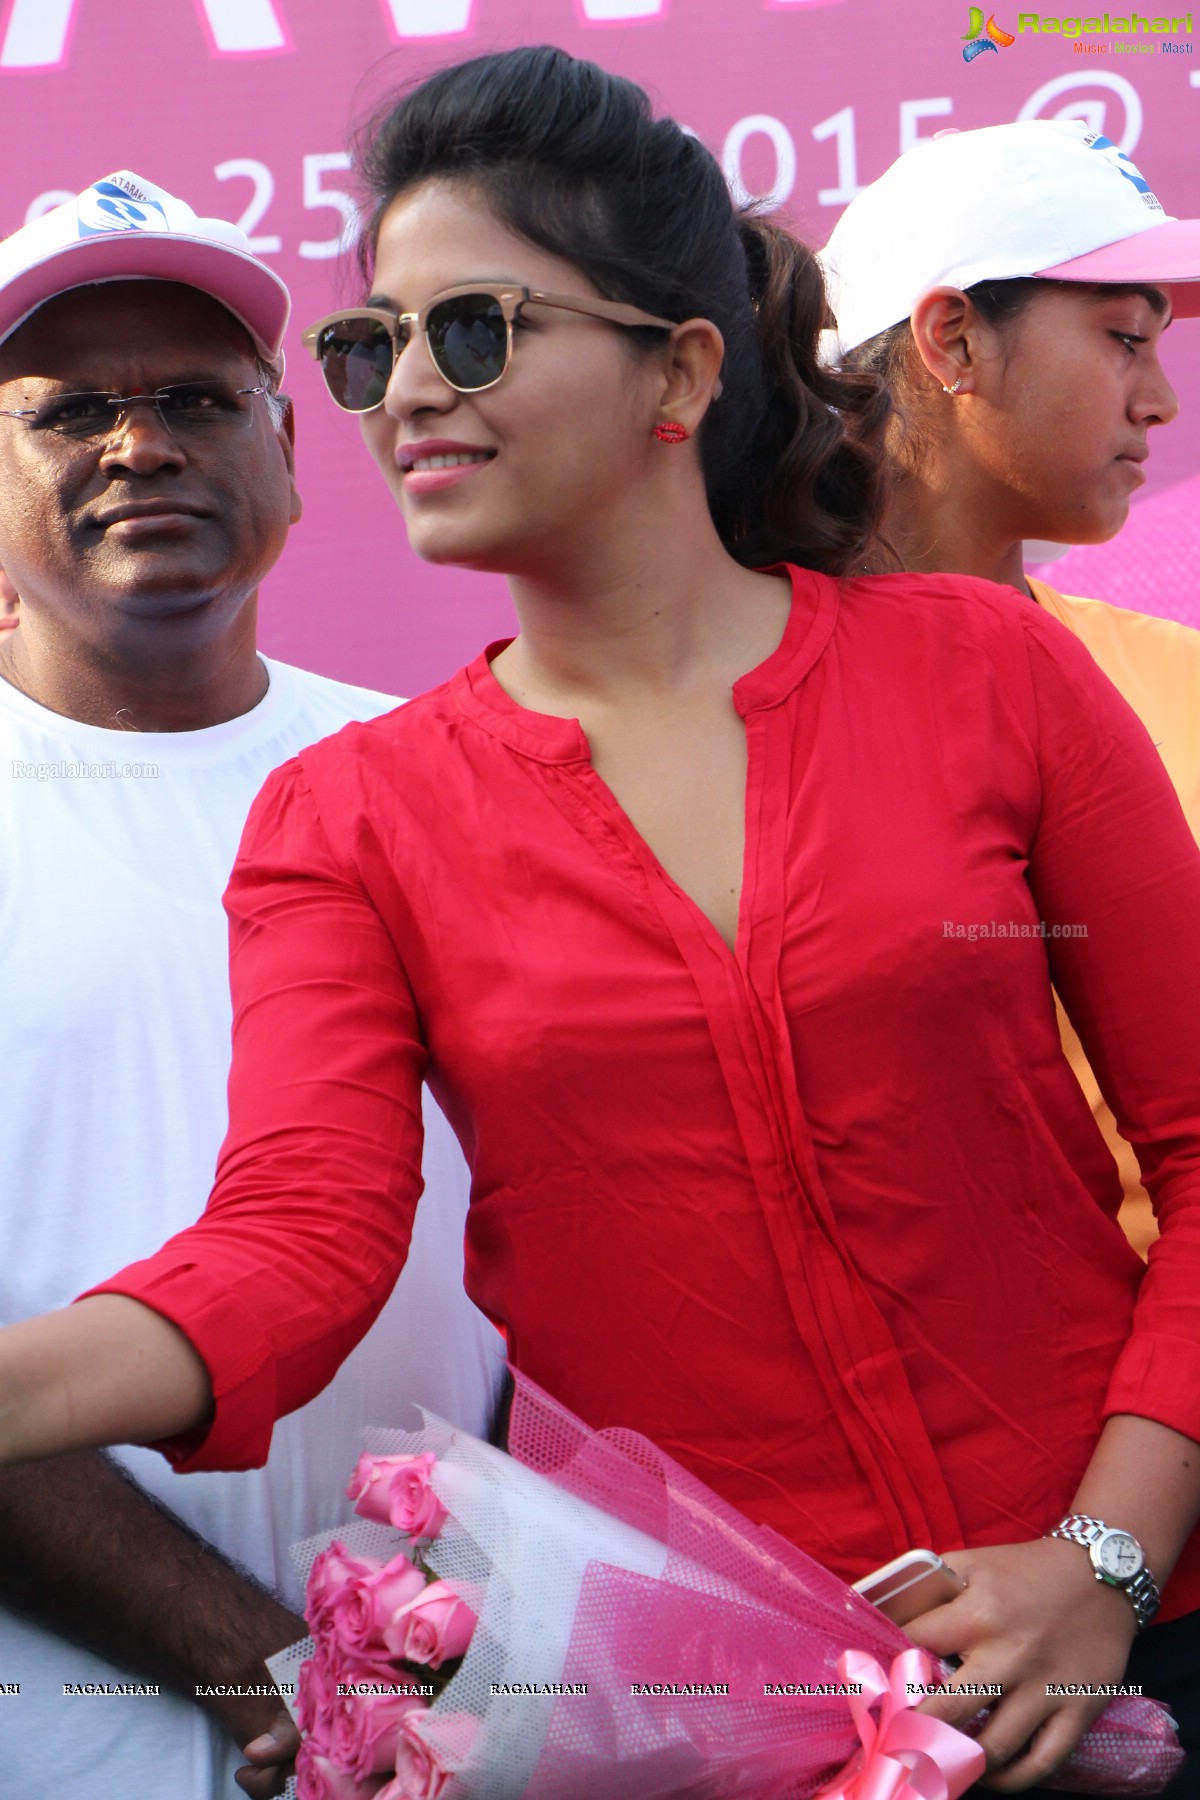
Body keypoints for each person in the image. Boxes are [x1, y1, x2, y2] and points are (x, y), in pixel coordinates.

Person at [2, 51, 1200, 1796]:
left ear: (680, 369)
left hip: (1136, 1654)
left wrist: (1105, 1562)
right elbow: (295, 1246)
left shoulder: (989, 674)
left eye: (472, 329)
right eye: (374, 346)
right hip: (711, 1715)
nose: (408, 390)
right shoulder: (352, 813)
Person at [0, 172, 505, 1800]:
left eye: (198, 402)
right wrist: (272, 1664)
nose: (139, 445)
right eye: (68, 411)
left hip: (474, 1723)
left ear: (292, 461)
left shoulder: (449, 778)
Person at [819, 119, 1200, 1266]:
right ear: (950, 339)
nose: (1163, 404)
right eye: (1125, 339)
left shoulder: (1176, 675)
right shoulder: (728, 700)